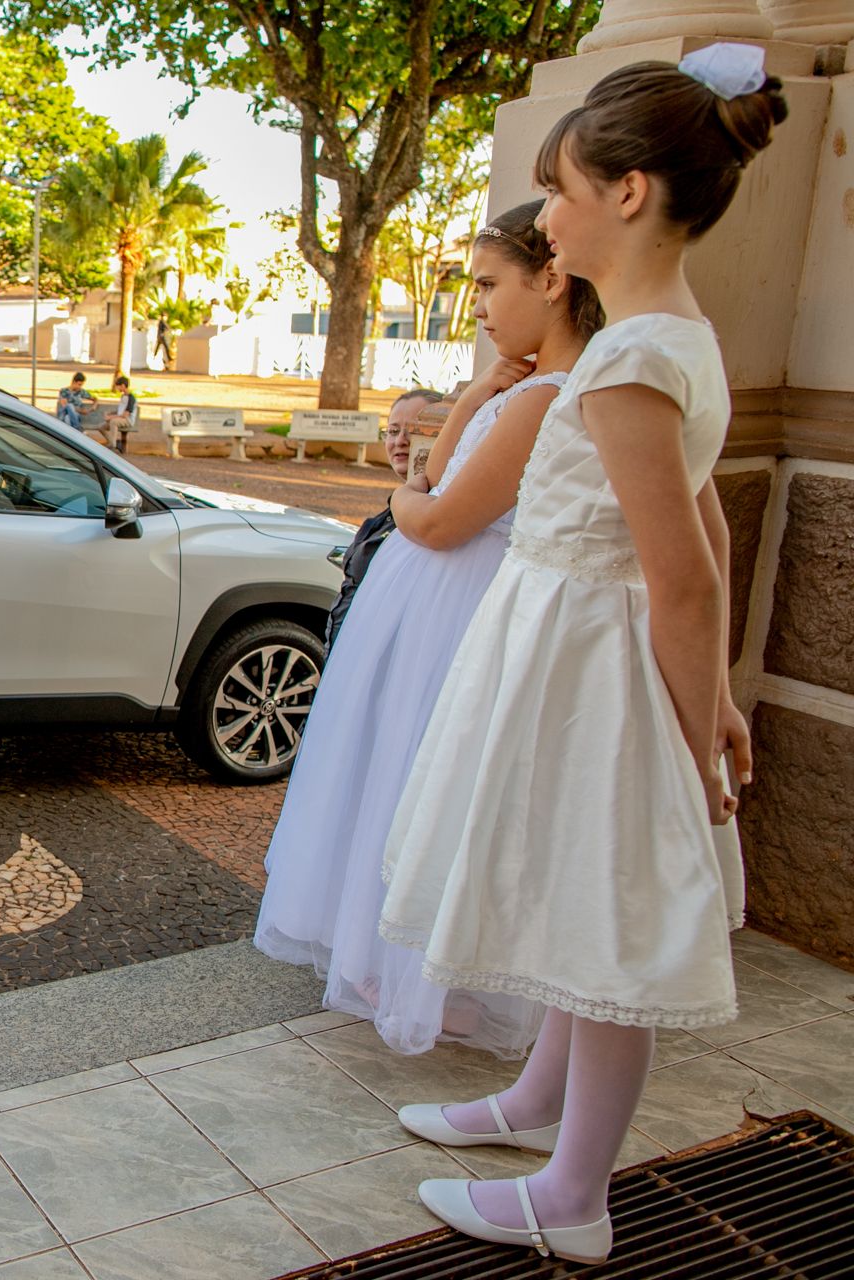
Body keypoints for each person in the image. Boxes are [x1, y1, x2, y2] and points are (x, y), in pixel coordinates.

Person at [381, 47, 778, 1264]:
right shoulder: (672, 336)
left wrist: (692, 714)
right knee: (571, 898)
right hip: (569, 642)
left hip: (594, 661)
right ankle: (531, 1103)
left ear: (631, 193)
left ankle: (575, 1194)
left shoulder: (627, 359)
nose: (545, 216)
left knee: (605, 921)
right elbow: (700, 515)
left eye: (558, 191)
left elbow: (686, 569)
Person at [253, 199, 602, 1060]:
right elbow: (436, 471)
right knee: (394, 771)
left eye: (489, 285)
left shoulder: (552, 396)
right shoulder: (514, 389)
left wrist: (405, 506)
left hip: (459, 604)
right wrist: (477, 394)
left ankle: (434, 981)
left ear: (552, 281)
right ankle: (389, 959)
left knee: (426, 773)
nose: (477, 305)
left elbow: (440, 514)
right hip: (428, 601)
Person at [322, 387, 443, 647]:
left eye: (414, 431)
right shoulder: (391, 510)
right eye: (393, 430)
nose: (400, 440)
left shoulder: (433, 513)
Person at [98, 374, 139, 452]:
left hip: (127, 420)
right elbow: (120, 411)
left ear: (123, 385)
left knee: (113, 422)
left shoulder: (131, 398)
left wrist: (110, 417)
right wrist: (110, 413)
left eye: (118, 386)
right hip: (120, 418)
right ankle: (114, 442)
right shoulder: (123, 396)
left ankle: (112, 444)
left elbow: (125, 415)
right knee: (101, 427)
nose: (117, 388)